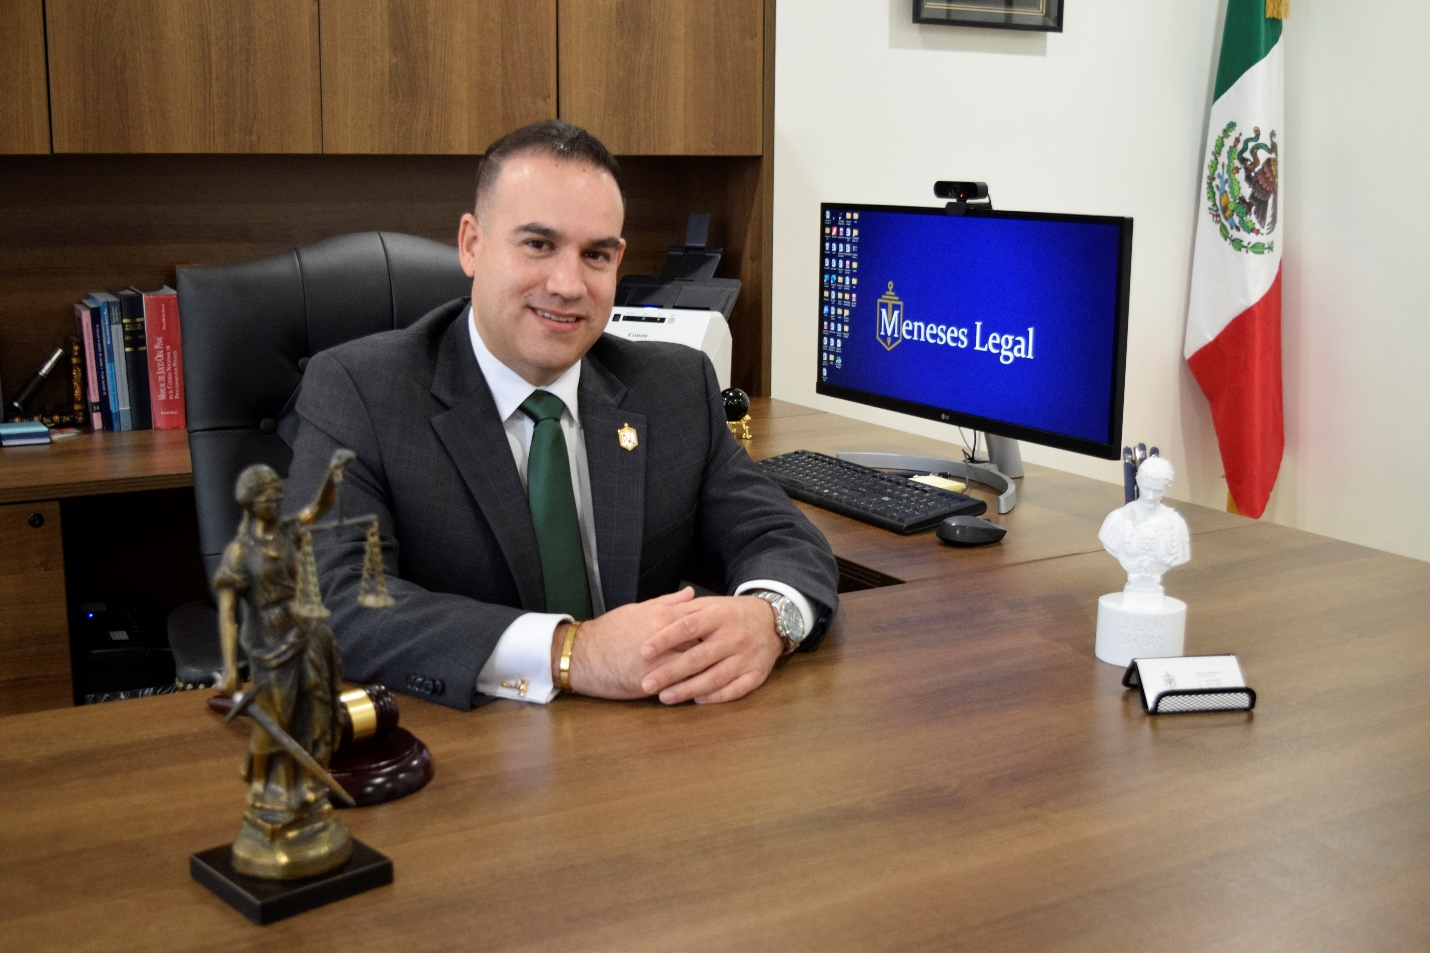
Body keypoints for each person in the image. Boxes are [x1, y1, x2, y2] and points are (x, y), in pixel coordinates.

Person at [285, 120, 839, 711]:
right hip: (473, 752)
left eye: (595, 255)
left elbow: (780, 536)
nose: (568, 284)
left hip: (656, 747)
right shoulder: (361, 390)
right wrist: (571, 652)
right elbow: (332, 600)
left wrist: (768, 618)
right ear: (472, 245)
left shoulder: (673, 386)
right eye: (538, 244)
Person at [214, 452, 354, 878]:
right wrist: (231, 666)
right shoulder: (240, 552)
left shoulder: (290, 533)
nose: (276, 501)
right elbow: (226, 611)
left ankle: (307, 793)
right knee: (274, 722)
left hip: (305, 635)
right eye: (267, 496)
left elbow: (319, 508)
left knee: (314, 712)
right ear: (250, 501)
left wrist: (332, 475)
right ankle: (266, 797)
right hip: (268, 647)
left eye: (278, 493)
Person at [1097, 456, 1190, 598]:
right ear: (1138, 482)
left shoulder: (1176, 526)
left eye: (1157, 491)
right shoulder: (1117, 520)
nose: (1151, 497)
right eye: (1146, 489)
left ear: (1167, 488)